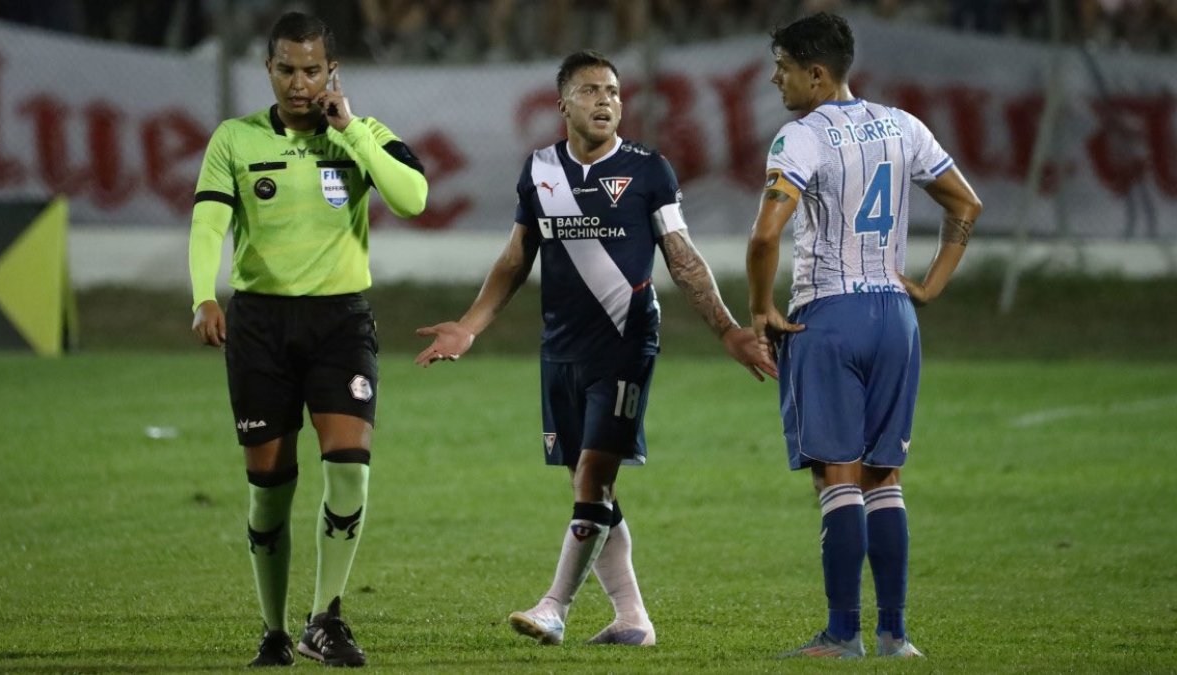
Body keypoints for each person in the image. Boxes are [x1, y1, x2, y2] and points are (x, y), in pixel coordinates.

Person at [415, 49, 775, 647]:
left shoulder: (648, 170)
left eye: (612, 90)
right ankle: (632, 618)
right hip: (560, 350)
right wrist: (470, 326)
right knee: (594, 489)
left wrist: (729, 329)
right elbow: (514, 259)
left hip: (625, 345)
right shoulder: (539, 171)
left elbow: (682, 259)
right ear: (562, 105)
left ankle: (555, 606)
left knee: (591, 477)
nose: (606, 100)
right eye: (590, 91)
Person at [188, 11, 428, 668]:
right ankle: (272, 629)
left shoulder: (362, 134)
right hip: (260, 324)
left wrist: (350, 130)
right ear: (269, 70)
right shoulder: (234, 140)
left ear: (332, 72)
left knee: (349, 467)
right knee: (270, 486)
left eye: (312, 69)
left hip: (341, 323)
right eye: (287, 69)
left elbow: (413, 197)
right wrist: (203, 294)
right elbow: (209, 222)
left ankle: (325, 616)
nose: (300, 82)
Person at [746, 12, 981, 659]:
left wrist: (761, 306)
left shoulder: (801, 137)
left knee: (839, 478)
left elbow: (766, 235)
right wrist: (930, 285)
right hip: (895, 318)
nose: (775, 79)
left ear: (815, 74)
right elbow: (965, 204)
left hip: (831, 315)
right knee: (886, 477)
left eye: (784, 68)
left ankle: (842, 633)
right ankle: (895, 634)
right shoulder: (904, 125)